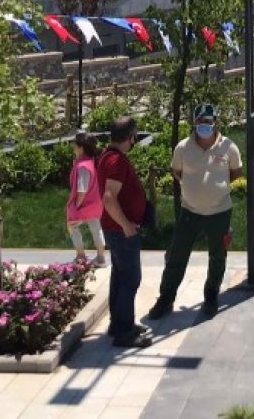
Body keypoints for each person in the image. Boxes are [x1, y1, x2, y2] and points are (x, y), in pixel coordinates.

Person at [149, 103, 242, 320]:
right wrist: (196, 189)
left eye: (208, 122)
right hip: (189, 211)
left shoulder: (229, 147)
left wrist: (214, 190)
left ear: (216, 122)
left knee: (217, 256)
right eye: (200, 121)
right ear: (194, 122)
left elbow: (235, 173)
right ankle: (166, 299)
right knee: (177, 255)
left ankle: (211, 296)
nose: (204, 126)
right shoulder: (183, 148)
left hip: (220, 212)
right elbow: (177, 172)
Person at [99, 116, 152, 348]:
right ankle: (125, 333)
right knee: (131, 279)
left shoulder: (107, 156)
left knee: (120, 277)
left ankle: (119, 324)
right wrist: (126, 225)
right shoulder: (116, 162)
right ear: (131, 138)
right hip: (121, 232)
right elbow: (109, 198)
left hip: (114, 229)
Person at [66, 131, 108, 268]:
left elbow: (81, 189)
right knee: (96, 228)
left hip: (84, 204)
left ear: (81, 148)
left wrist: (77, 205)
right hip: (96, 203)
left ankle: (80, 255)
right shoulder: (92, 162)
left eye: (75, 145)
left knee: (72, 226)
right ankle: (101, 258)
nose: (73, 147)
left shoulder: (82, 166)